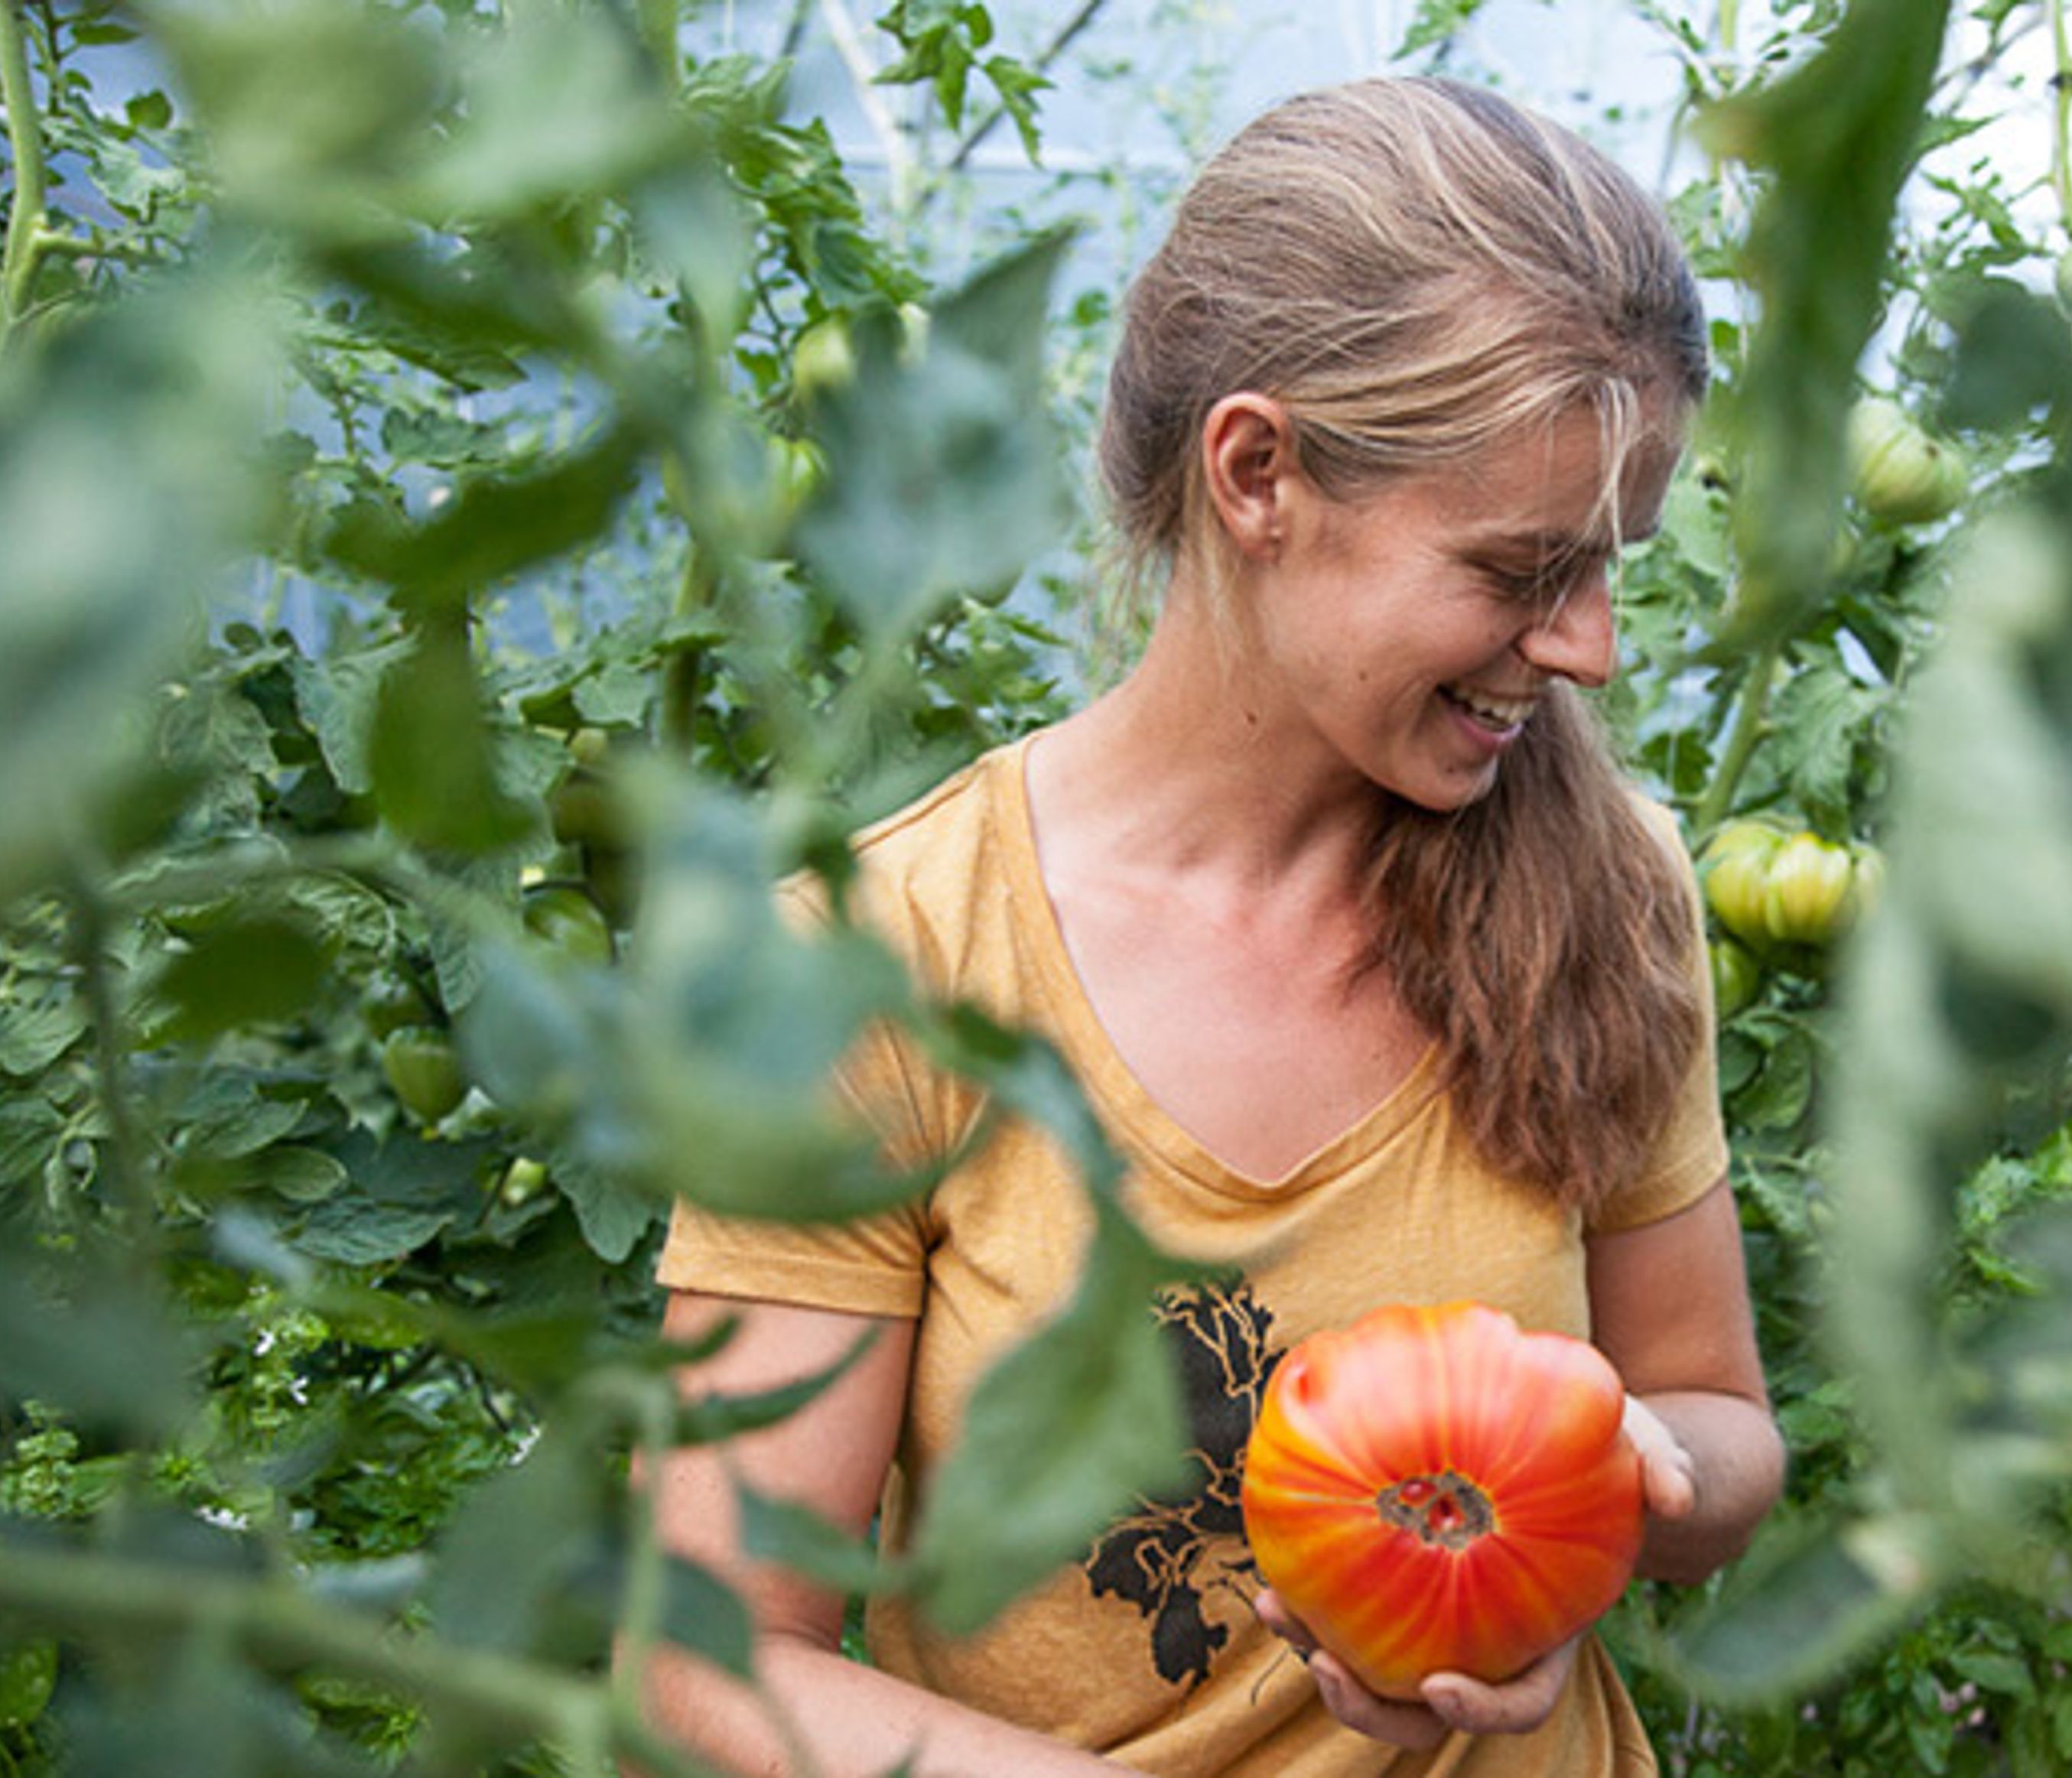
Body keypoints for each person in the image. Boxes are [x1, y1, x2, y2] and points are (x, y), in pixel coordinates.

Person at [633, 74, 1786, 1778]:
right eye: (1524, 567)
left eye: (1613, 563)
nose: (1592, 647)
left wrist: (1604, 1483)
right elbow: (714, 1650)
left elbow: (1722, 1425)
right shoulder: (876, 959)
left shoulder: (1608, 893)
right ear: (1258, 472)